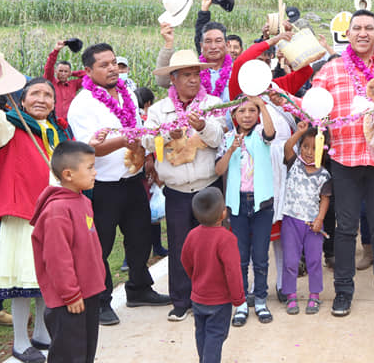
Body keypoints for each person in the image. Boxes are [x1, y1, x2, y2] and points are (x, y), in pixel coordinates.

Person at [310, 9, 374, 317]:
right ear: (348, 33)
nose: (363, 33)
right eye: (357, 28)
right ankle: (343, 291)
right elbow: (312, 107)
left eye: (369, 27)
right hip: (344, 159)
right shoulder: (331, 71)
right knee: (345, 228)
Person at [68, 43, 170, 326]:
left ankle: (139, 289)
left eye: (113, 62)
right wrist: (125, 140)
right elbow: (91, 148)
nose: (112, 68)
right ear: (88, 71)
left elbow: (138, 131)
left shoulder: (127, 94)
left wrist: (148, 158)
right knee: (100, 245)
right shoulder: (83, 104)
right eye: (103, 64)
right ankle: (100, 301)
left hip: (132, 178)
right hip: (101, 185)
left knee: (139, 236)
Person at [0, 79, 71, 362]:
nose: (42, 99)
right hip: (22, 216)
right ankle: (20, 341)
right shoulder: (9, 126)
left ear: (55, 103)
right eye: (35, 94)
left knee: (45, 279)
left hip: (53, 216)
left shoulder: (57, 131)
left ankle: (42, 334)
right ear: (22, 100)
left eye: (48, 95)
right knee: (22, 280)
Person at [142, 50, 225, 322]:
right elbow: (146, 142)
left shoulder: (211, 103)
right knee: (180, 246)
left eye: (196, 74)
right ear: (173, 79)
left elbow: (218, 138)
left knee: (211, 246)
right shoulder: (158, 110)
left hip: (208, 188)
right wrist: (167, 135)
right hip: (177, 190)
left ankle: (212, 296)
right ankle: (181, 300)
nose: (193, 80)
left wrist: (202, 126)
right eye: (186, 75)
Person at [30, 141, 104, 363]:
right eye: (90, 167)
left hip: (88, 292)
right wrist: (70, 293)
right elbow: (57, 259)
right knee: (68, 355)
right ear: (68, 174)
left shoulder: (82, 201)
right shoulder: (57, 210)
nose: (95, 172)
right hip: (69, 300)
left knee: (85, 352)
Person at [215, 97, 276, 326]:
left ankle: (260, 300)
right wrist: (231, 150)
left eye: (252, 110)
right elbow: (219, 169)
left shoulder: (261, 134)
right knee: (240, 258)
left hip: (262, 204)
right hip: (237, 205)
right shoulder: (228, 138)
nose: (248, 115)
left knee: (260, 257)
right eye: (242, 111)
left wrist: (263, 105)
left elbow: (271, 133)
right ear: (234, 116)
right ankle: (240, 303)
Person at [181, 187, 245, 363]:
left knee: (202, 334)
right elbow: (233, 271)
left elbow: (185, 260)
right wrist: (238, 298)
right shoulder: (227, 239)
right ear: (223, 213)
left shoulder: (192, 235)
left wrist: (196, 279)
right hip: (220, 301)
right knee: (215, 337)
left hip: (198, 298)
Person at [280, 123, 332, 316]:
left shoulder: (324, 175)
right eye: (305, 146)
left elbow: (325, 199)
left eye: (315, 147)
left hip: (313, 225)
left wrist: (320, 219)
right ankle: (291, 295)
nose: (309, 152)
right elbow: (287, 147)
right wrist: (300, 132)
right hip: (291, 221)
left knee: (314, 261)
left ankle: (314, 295)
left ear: (323, 150)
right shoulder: (294, 164)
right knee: (291, 260)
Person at [43, 41, 85, 119]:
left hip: (69, 121)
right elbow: (48, 67)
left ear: (69, 73)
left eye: (65, 71)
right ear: (55, 71)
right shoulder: (50, 82)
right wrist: (56, 51)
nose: (63, 74)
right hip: (53, 120)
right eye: (60, 71)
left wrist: (73, 73)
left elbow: (88, 76)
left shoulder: (73, 84)